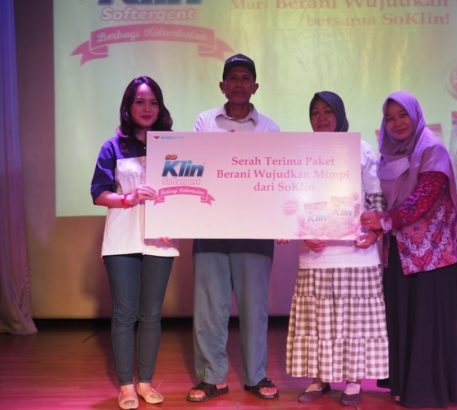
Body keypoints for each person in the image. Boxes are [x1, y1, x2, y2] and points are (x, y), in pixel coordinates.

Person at [358, 90, 457, 407]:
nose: (396, 123)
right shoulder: (389, 154)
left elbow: (422, 200)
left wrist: (383, 220)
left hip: (433, 256)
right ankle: (404, 383)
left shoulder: (432, 150)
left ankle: (428, 389)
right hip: (400, 250)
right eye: (390, 117)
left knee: (426, 321)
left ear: (416, 115)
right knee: (405, 316)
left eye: (403, 115)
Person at [186, 53, 280, 403]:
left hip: (255, 231)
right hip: (210, 226)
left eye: (245, 78)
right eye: (233, 78)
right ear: (222, 85)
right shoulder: (204, 122)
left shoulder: (270, 128)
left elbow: (275, 181)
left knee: (254, 308)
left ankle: (256, 376)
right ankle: (212, 378)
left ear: (256, 86)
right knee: (209, 309)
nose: (239, 83)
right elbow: (196, 166)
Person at [286, 91, 389, 407]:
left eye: (328, 111)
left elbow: (376, 195)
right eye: (315, 112)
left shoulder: (362, 149)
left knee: (354, 323)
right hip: (316, 254)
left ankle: (354, 382)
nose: (321, 117)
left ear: (340, 114)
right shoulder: (301, 153)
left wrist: (375, 233)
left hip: (356, 253)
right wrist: (302, 233)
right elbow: (290, 200)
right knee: (318, 321)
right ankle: (320, 378)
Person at [90, 76, 179, 410]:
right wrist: (128, 198)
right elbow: (98, 194)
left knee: (152, 314)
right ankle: (126, 386)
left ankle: (145, 382)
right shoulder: (112, 146)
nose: (146, 108)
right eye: (140, 101)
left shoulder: (173, 144)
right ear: (128, 107)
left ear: (161, 107)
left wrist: (179, 219)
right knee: (125, 314)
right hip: (121, 239)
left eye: (153, 102)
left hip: (160, 240)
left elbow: (183, 191)